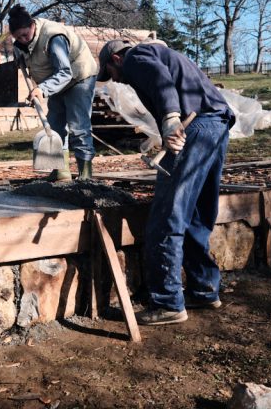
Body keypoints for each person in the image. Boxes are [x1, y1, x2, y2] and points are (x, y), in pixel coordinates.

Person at [98, 39, 235, 325]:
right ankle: (204, 288)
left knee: (165, 215)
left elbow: (161, 82)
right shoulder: (166, 54)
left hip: (194, 128)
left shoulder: (136, 56)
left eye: (110, 72)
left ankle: (168, 302)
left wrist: (172, 119)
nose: (115, 80)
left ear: (116, 58)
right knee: (197, 213)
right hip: (217, 124)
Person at [8, 5, 97, 181]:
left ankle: (85, 176)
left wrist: (42, 89)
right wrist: (19, 56)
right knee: (55, 127)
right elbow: (24, 54)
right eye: (18, 37)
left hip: (79, 77)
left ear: (33, 25)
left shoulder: (53, 37)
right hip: (55, 82)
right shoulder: (20, 43)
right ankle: (61, 172)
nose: (23, 40)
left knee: (78, 126)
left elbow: (65, 72)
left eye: (25, 35)